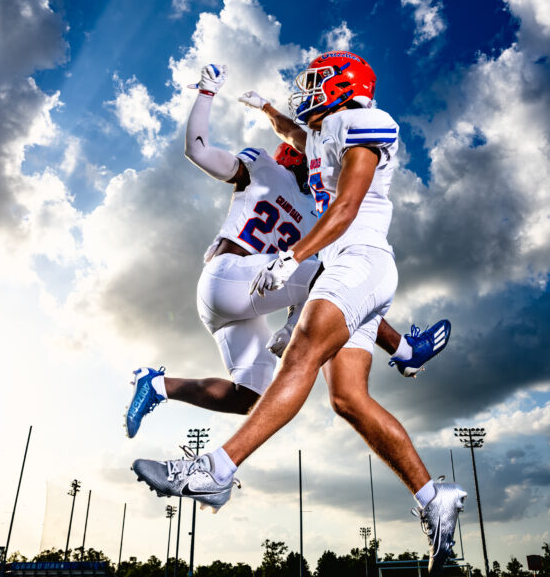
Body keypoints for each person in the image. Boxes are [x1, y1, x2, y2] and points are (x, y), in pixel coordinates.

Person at [132, 53, 465, 575]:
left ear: (340, 85)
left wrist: (292, 256)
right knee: (348, 399)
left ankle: (216, 470)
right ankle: (432, 497)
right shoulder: (327, 136)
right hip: (348, 272)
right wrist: (266, 107)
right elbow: (296, 137)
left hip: (354, 264)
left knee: (302, 352)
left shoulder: (361, 121)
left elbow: (347, 206)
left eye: (313, 82)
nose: (304, 90)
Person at [125, 63, 451, 439]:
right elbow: (292, 140)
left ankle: (157, 386)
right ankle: (405, 350)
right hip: (237, 278)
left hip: (229, 295)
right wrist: (291, 325)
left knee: (249, 397)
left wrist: (211, 95)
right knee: (338, 274)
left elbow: (199, 150)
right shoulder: (314, 206)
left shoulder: (271, 175)